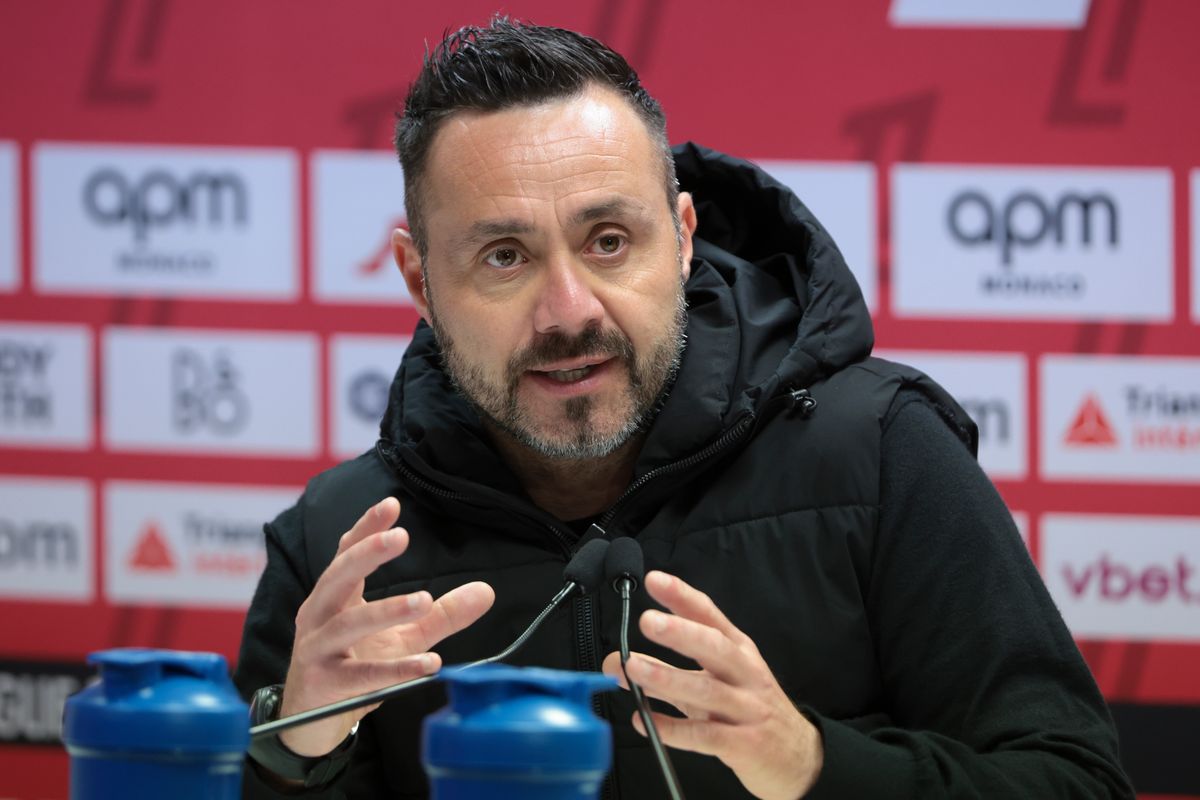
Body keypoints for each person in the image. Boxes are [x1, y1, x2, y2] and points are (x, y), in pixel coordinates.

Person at [234, 18, 1133, 799]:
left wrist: (814, 766)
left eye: (610, 241)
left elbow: (1075, 781)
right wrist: (292, 758)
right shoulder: (338, 550)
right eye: (504, 257)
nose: (569, 310)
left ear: (685, 240)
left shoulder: (885, 457)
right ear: (420, 280)